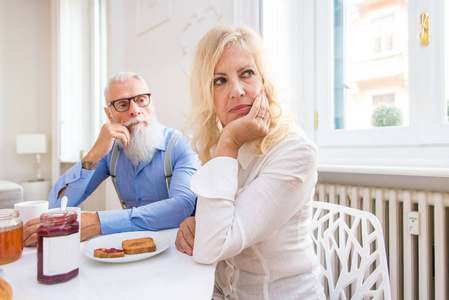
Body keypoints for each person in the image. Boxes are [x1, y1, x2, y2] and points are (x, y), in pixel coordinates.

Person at [174, 25, 325, 299]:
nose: (237, 90)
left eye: (247, 74)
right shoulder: (222, 148)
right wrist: (195, 223)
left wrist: (229, 140)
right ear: (208, 96)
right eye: (219, 80)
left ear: (264, 83)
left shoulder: (295, 151)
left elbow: (211, 248)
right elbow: (215, 230)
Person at [23, 72, 199, 246]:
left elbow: (181, 207)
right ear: (109, 114)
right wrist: (94, 153)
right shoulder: (111, 153)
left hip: (177, 250)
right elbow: (57, 204)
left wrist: (96, 222)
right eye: (122, 104)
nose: (135, 110)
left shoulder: (182, 145)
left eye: (141, 100)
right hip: (129, 250)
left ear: (151, 102)